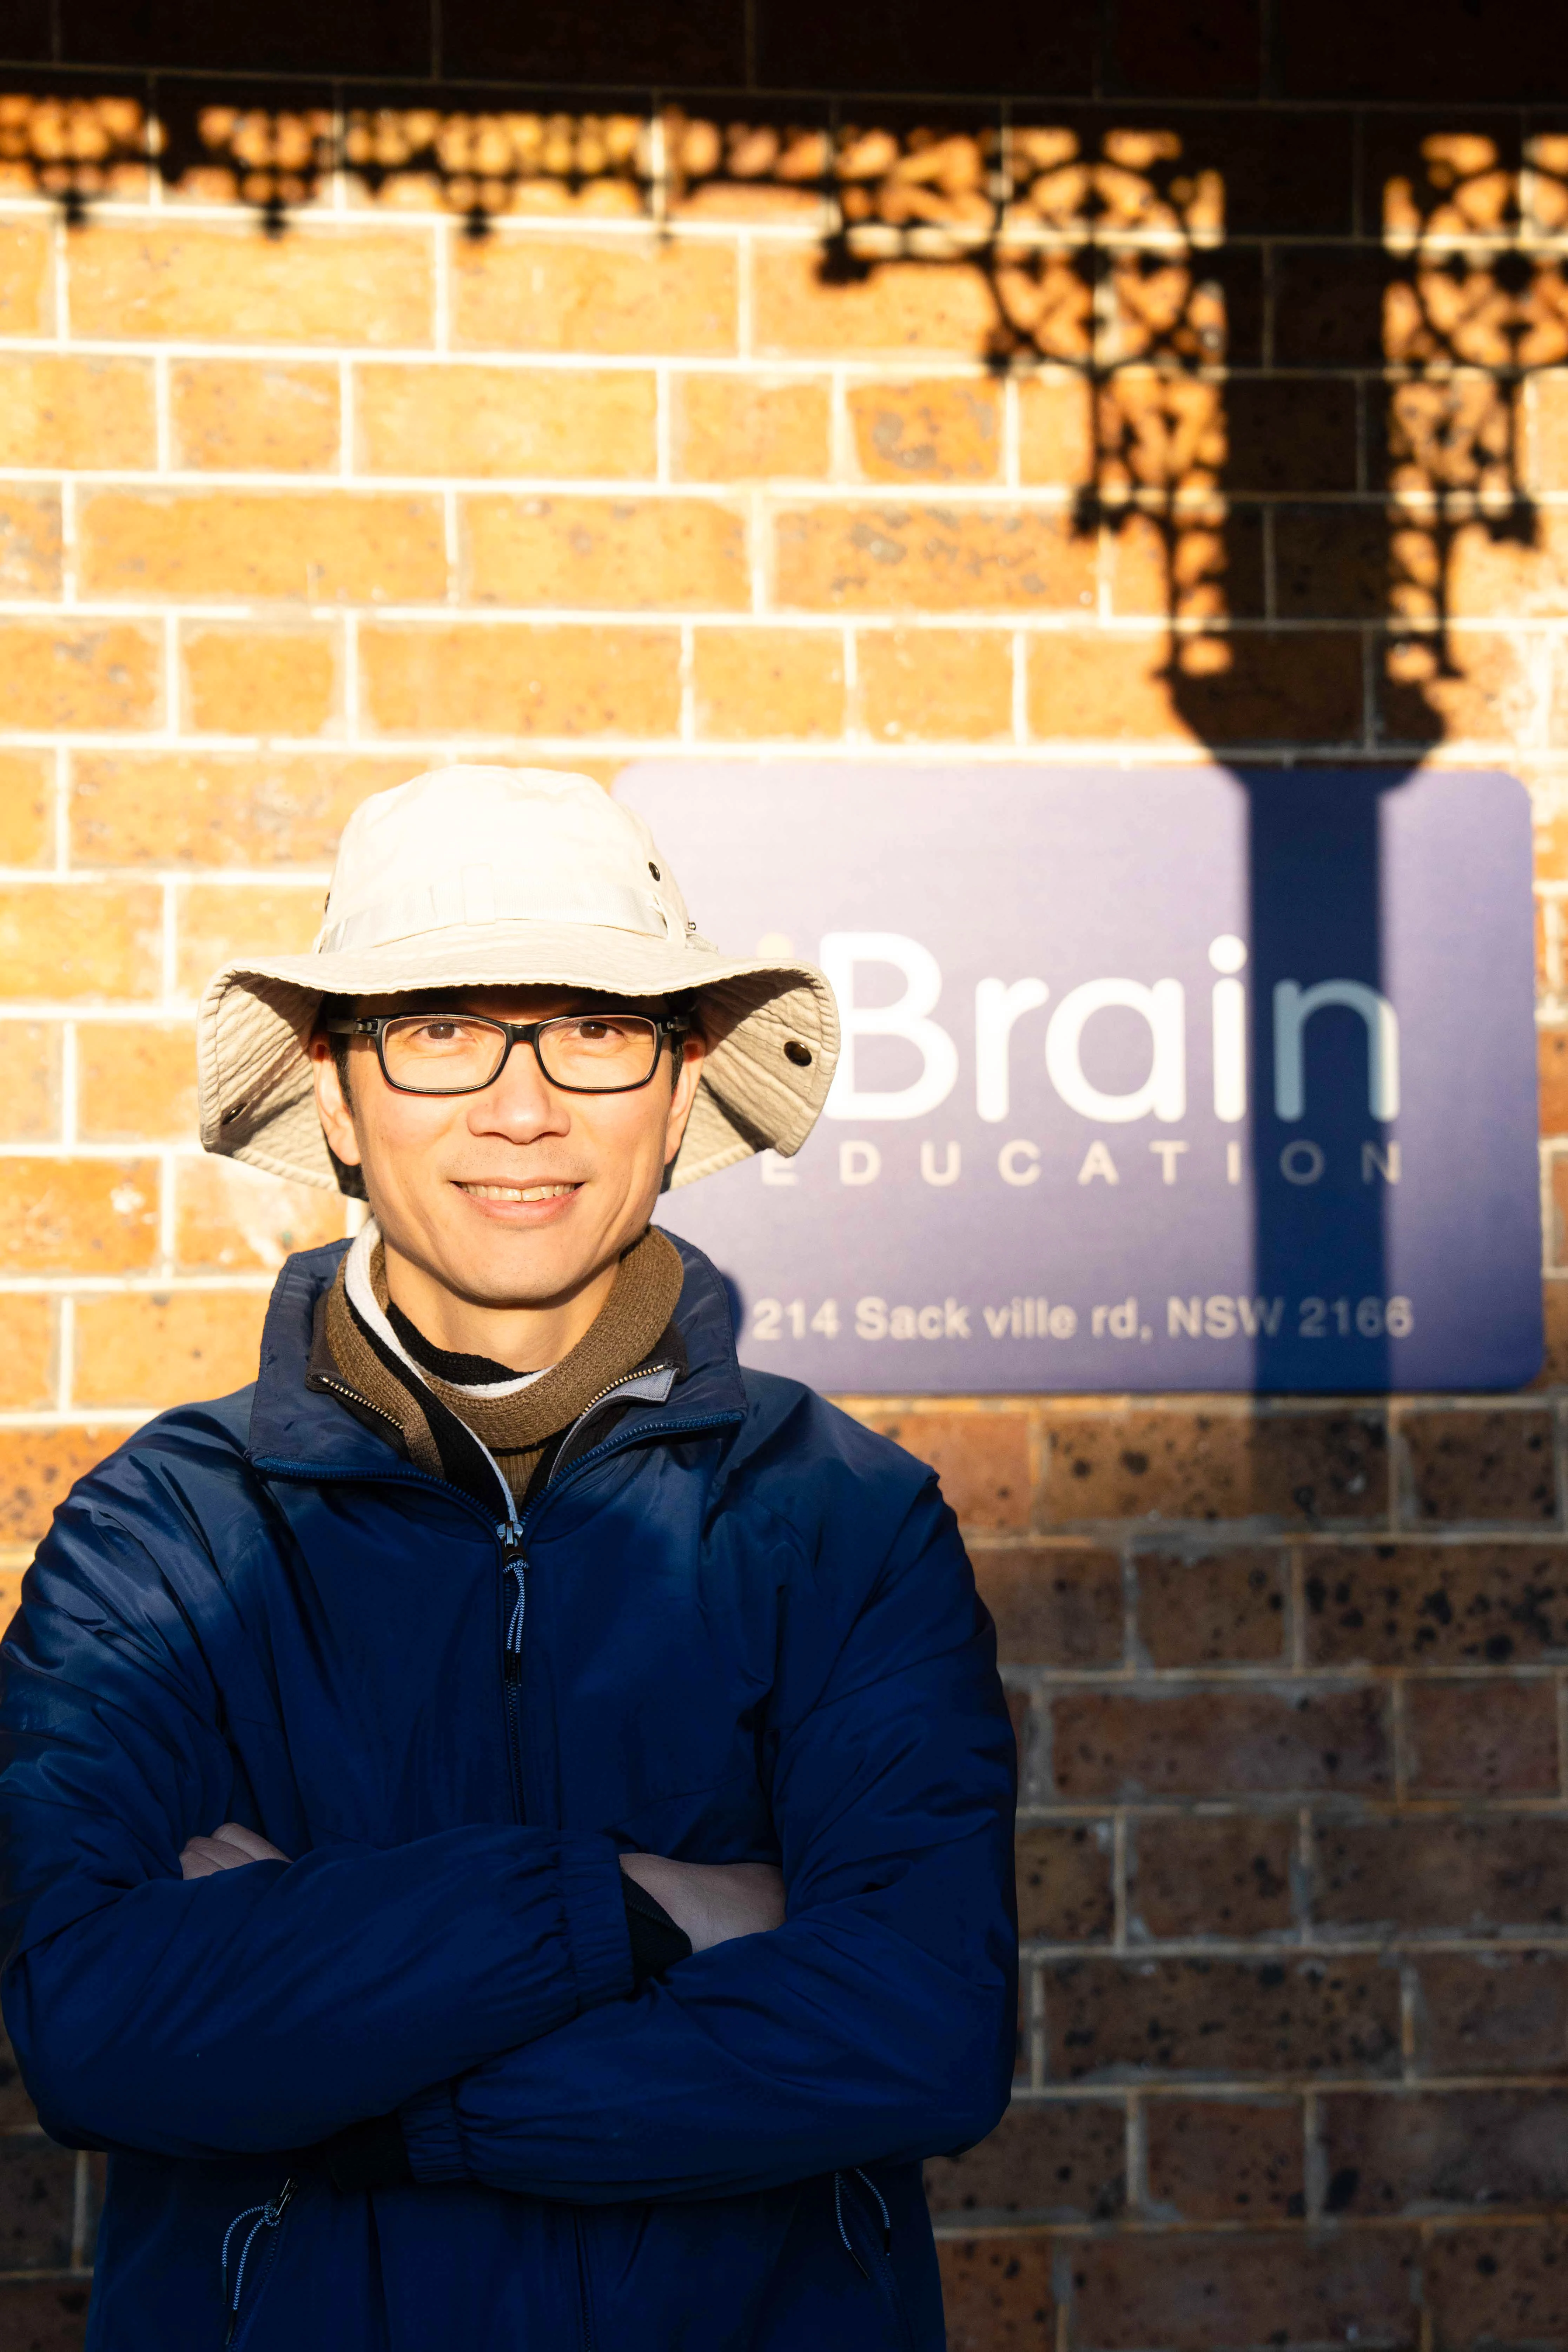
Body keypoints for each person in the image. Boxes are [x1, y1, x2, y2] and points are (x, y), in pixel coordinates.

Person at [0, 766, 1017, 2351]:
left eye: (597, 1029)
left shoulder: (845, 1520)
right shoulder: (167, 1535)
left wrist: (358, 2081)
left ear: (680, 1090)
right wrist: (636, 1910)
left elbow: (919, 2028)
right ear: (336, 1090)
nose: (523, 1105)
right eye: (441, 1028)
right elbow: (93, 2025)